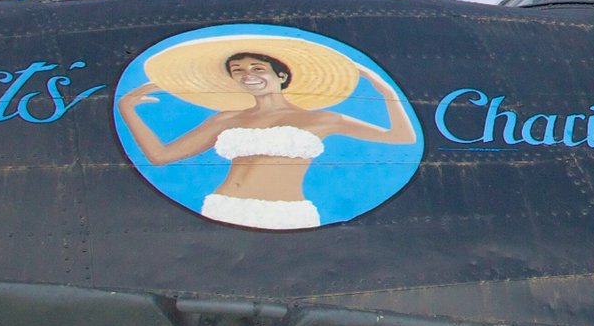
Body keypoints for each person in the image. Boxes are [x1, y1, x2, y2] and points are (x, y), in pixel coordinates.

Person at [117, 38, 417, 229]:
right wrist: (127, 108)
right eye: (238, 70)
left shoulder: (324, 119)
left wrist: (384, 89)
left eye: (257, 68)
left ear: (280, 75)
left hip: (287, 214)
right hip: (224, 207)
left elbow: (402, 137)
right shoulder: (227, 118)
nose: (247, 75)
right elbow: (160, 156)